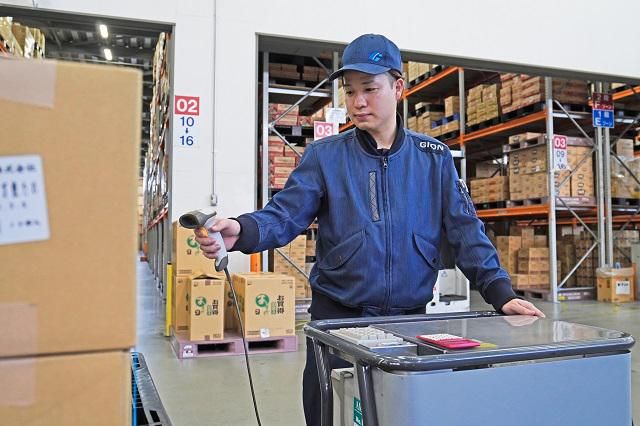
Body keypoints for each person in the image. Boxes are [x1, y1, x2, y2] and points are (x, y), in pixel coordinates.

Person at [194, 33, 545, 426]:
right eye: (350, 91)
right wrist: (241, 230)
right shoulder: (325, 157)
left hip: (410, 322)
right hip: (338, 322)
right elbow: (285, 215)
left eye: (369, 88)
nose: (357, 101)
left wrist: (499, 292)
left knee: (399, 415)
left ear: (398, 88)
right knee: (333, 413)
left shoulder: (434, 159)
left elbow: (466, 231)